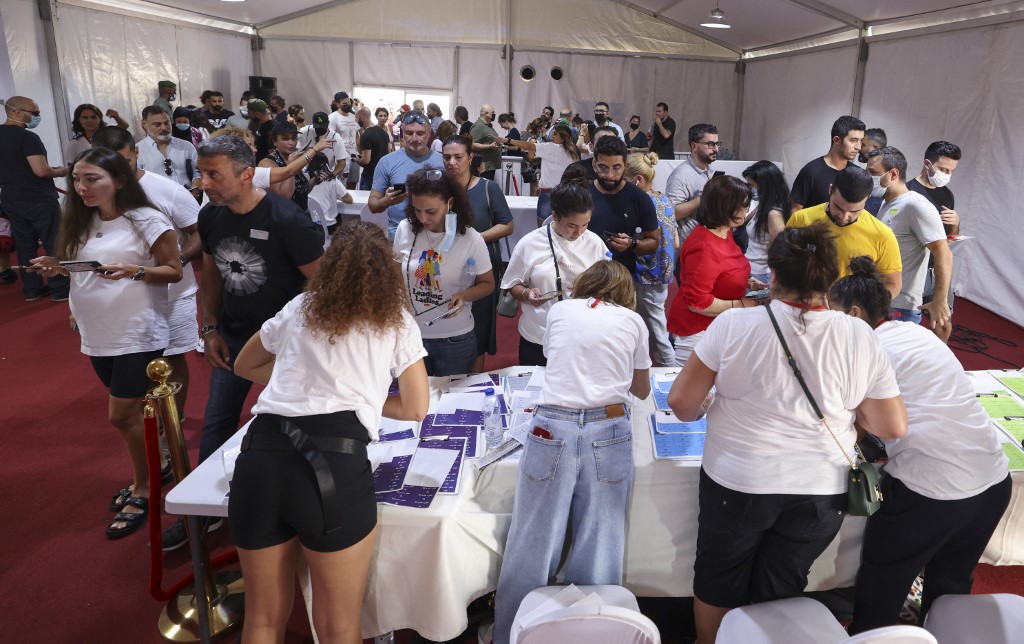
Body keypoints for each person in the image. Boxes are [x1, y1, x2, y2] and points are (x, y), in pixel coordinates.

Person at [666, 223, 907, 644]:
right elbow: (893, 426)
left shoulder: (734, 326)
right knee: (782, 582)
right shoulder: (859, 335)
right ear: (832, 279)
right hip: (821, 487)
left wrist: (713, 403)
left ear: (773, 274)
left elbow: (683, 405)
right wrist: (850, 414)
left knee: (718, 579)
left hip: (738, 480)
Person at [229, 220, 429, 644]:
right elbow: (415, 407)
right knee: (338, 625)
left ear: (331, 264)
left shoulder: (298, 309)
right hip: (332, 467)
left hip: (261, 454)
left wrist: (297, 387)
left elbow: (244, 365)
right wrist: (365, 401)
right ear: (386, 270)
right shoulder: (395, 322)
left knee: (262, 619)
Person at [830, 257, 1011, 635]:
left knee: (884, 576)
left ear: (856, 312)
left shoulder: (867, 350)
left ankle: (871, 637)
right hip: (993, 480)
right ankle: (945, 633)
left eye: (834, 315)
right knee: (951, 585)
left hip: (934, 490)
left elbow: (857, 424)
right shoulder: (919, 333)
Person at [493, 259, 652, 644]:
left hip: (553, 424)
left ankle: (509, 633)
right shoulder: (633, 322)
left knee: (533, 536)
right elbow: (643, 390)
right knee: (601, 536)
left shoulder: (562, 309)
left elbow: (554, 355)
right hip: (608, 426)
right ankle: (594, 632)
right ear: (625, 293)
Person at [30, 148, 183, 539]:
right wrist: (59, 268)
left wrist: (135, 271)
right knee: (131, 417)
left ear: (118, 180)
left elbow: (173, 270)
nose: (81, 187)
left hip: (136, 332)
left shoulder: (146, 219)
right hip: (98, 333)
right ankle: (156, 468)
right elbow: (85, 269)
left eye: (92, 178)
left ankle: (145, 487)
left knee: (121, 416)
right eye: (77, 179)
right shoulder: (82, 219)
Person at [195, 135, 324, 471]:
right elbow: (211, 276)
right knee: (217, 423)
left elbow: (323, 284)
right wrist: (209, 327)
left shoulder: (288, 220)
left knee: (295, 424)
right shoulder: (210, 216)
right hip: (234, 337)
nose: (203, 183)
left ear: (246, 174)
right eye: (201, 174)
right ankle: (202, 517)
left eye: (214, 175)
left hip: (288, 345)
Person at [91, 125, 201, 428]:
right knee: (128, 365)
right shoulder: (92, 196)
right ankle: (147, 425)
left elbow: (200, 232)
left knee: (173, 357)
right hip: (119, 300)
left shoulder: (168, 190)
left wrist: (174, 262)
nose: (116, 171)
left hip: (172, 293)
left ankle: (172, 426)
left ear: (136, 152)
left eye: (123, 161)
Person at [393, 167, 494, 376]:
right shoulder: (404, 229)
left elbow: (488, 284)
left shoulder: (471, 239)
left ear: (450, 203)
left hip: (454, 338)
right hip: (411, 336)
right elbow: (395, 277)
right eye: (417, 210)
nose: (423, 218)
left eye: (431, 211)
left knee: (450, 402)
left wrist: (463, 295)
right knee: (417, 405)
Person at [501, 180, 608, 366]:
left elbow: (609, 282)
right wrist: (527, 294)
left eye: (585, 225)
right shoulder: (530, 243)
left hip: (582, 336)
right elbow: (512, 285)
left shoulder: (595, 243)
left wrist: (592, 288)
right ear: (555, 216)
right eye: (572, 226)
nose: (579, 232)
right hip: (539, 336)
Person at [667, 175, 762, 365]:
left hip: (717, 328)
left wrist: (747, 282)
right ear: (725, 207)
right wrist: (741, 304)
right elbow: (698, 302)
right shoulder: (704, 246)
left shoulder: (723, 232)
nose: (745, 211)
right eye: (743, 206)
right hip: (698, 334)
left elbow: (726, 270)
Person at [442, 135, 514, 372]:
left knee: (479, 333)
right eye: (447, 157)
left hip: (481, 271)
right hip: (445, 271)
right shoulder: (438, 190)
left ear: (470, 157)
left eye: (458, 157)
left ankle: (473, 386)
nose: (452, 162)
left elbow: (507, 224)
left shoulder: (487, 188)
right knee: (444, 329)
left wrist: (474, 241)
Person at [866, 147, 952, 339]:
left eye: (873, 173)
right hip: (882, 300)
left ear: (893, 174)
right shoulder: (885, 203)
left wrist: (940, 299)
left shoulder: (916, 206)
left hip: (901, 307)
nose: (868, 178)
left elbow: (943, 252)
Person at [788, 165, 902, 298]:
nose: (843, 217)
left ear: (867, 199)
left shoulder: (882, 235)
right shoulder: (801, 219)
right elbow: (782, 264)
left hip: (849, 314)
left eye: (854, 211)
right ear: (830, 190)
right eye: (838, 207)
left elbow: (893, 284)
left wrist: (866, 307)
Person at [0, 95, 71, 300]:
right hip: (38, 198)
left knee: (24, 244)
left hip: (11, 198)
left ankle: (32, 289)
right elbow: (41, 170)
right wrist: (60, 171)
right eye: (35, 114)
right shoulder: (27, 138)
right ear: (18, 112)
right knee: (53, 241)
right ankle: (60, 288)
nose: (37, 118)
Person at [625, 152, 678, 367]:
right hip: (661, 273)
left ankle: (671, 375)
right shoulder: (663, 199)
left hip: (647, 275)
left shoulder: (641, 203)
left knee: (657, 333)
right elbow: (675, 241)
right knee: (652, 328)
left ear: (637, 179)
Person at [586, 135, 660, 277]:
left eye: (616, 167)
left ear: (625, 166)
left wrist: (632, 244)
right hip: (585, 273)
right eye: (603, 167)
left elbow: (653, 242)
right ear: (594, 164)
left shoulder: (639, 198)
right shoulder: (583, 194)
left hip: (622, 278)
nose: (610, 175)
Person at [368, 111, 443, 240]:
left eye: (420, 133)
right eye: (409, 133)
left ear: (429, 133)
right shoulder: (387, 162)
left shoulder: (443, 162)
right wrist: (386, 201)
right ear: (402, 134)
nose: (414, 139)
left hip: (435, 233)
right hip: (398, 233)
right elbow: (373, 205)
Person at [907, 141, 962, 317]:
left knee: (944, 323)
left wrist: (955, 222)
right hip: (913, 271)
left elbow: (950, 238)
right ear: (927, 164)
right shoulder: (908, 192)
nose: (947, 175)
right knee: (908, 324)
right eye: (944, 170)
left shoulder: (947, 194)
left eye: (952, 171)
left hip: (938, 270)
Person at [500, 124, 578, 226]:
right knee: (563, 225)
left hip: (548, 193)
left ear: (562, 137)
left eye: (555, 134)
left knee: (543, 227)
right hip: (566, 193)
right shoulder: (572, 153)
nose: (552, 136)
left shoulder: (550, 147)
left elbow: (528, 146)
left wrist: (509, 140)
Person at [790, 115, 865, 211]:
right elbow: (794, 211)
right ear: (837, 140)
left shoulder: (858, 174)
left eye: (861, 141)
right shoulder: (811, 171)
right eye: (853, 140)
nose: (858, 147)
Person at [665, 123, 719, 252]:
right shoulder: (681, 175)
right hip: (690, 249)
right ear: (694, 146)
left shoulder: (708, 169)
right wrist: (703, 197)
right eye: (710, 144)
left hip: (706, 244)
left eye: (717, 144)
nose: (716, 149)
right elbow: (672, 213)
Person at [741, 160, 790, 283]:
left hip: (761, 275)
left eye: (751, 185)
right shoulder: (763, 205)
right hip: (750, 270)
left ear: (764, 186)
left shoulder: (773, 214)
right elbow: (741, 220)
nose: (750, 189)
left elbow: (780, 252)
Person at [137, 106, 199, 190]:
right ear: (144, 125)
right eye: (157, 124)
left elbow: (198, 173)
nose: (164, 128)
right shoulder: (138, 151)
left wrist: (195, 190)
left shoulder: (186, 147)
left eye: (167, 123)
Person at [259, 121, 312, 211]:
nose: (291, 143)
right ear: (275, 141)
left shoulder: (294, 158)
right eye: (285, 139)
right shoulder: (267, 163)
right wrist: (291, 165)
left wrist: (315, 179)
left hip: (301, 213)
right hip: (284, 218)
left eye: (293, 138)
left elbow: (302, 190)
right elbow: (284, 196)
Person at [328, 91, 359, 188]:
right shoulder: (333, 118)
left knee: (353, 182)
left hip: (354, 155)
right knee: (340, 184)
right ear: (337, 104)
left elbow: (357, 134)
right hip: (341, 157)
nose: (347, 105)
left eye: (348, 103)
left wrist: (359, 151)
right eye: (344, 104)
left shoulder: (353, 117)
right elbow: (330, 137)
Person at [358, 107, 392, 189]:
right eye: (380, 115)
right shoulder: (382, 133)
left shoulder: (367, 134)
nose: (383, 118)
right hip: (380, 170)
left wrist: (358, 160)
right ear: (376, 116)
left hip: (373, 172)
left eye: (385, 115)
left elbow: (366, 160)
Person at [860, 128, 888, 215]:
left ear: (876, 148)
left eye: (863, 145)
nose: (859, 148)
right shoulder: (864, 173)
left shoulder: (881, 181)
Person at [470, 104, 502, 180]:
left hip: (490, 165)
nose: (494, 114)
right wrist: (489, 146)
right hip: (484, 166)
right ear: (486, 114)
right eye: (492, 112)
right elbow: (472, 144)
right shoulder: (478, 126)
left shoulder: (488, 126)